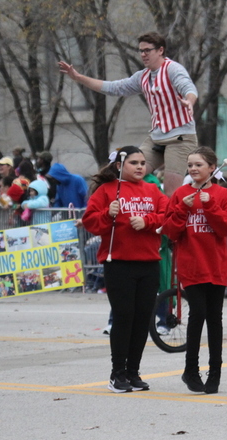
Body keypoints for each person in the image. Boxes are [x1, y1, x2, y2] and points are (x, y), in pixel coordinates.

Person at [59, 32, 197, 196]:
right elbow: (113, 87)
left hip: (179, 138)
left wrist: (189, 101)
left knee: (170, 191)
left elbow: (188, 87)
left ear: (160, 50)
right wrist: (79, 77)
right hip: (157, 137)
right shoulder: (143, 76)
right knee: (126, 172)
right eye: (141, 51)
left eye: (147, 50)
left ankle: (169, 218)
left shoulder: (172, 69)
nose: (143, 55)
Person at [81, 146, 168, 393]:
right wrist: (108, 214)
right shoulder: (106, 191)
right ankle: (116, 373)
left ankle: (133, 372)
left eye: (142, 162)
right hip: (118, 263)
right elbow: (90, 222)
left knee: (142, 319)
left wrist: (148, 221)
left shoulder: (153, 189)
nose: (140, 167)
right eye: (134, 163)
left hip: (149, 262)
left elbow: (168, 214)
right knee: (124, 317)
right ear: (119, 166)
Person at [163, 147, 227, 394]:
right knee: (198, 314)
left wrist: (211, 206)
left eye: (198, 164)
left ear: (211, 167)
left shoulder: (223, 194)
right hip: (191, 266)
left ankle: (215, 372)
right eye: (190, 165)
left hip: (216, 266)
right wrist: (183, 209)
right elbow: (170, 231)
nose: (193, 169)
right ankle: (191, 369)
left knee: (215, 318)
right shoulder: (180, 195)